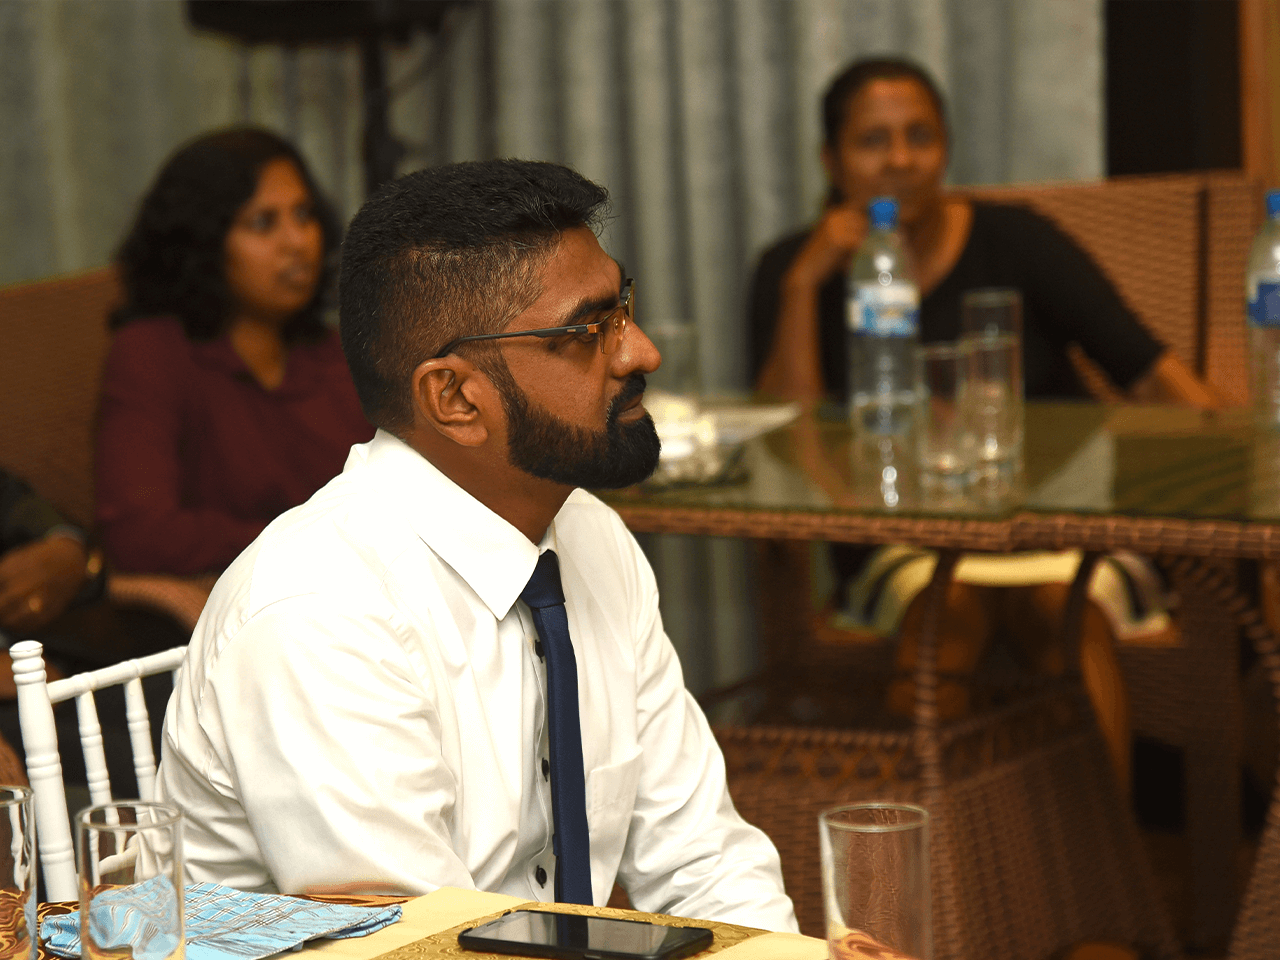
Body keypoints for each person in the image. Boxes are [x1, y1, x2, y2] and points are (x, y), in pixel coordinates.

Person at [154, 159, 798, 931]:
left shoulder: (587, 534)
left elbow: (703, 859)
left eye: (623, 308)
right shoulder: (320, 616)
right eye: (588, 331)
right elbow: (427, 946)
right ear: (456, 397)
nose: (641, 352)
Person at [745, 57, 1221, 786]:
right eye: (873, 141)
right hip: (901, 541)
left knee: (1061, 616)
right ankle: (943, 849)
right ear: (831, 160)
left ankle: (1096, 851)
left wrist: (1235, 452)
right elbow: (785, 439)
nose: (900, 159)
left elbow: (1148, 369)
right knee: (947, 620)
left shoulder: (1016, 240)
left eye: (920, 136)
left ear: (946, 149)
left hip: (1061, 528)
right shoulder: (792, 267)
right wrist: (806, 285)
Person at [95, 127, 373, 577]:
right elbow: (139, 535)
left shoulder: (334, 350)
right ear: (202, 241)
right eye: (263, 223)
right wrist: (314, 541)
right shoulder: (152, 353)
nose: (298, 242)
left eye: (304, 215)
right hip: (234, 601)